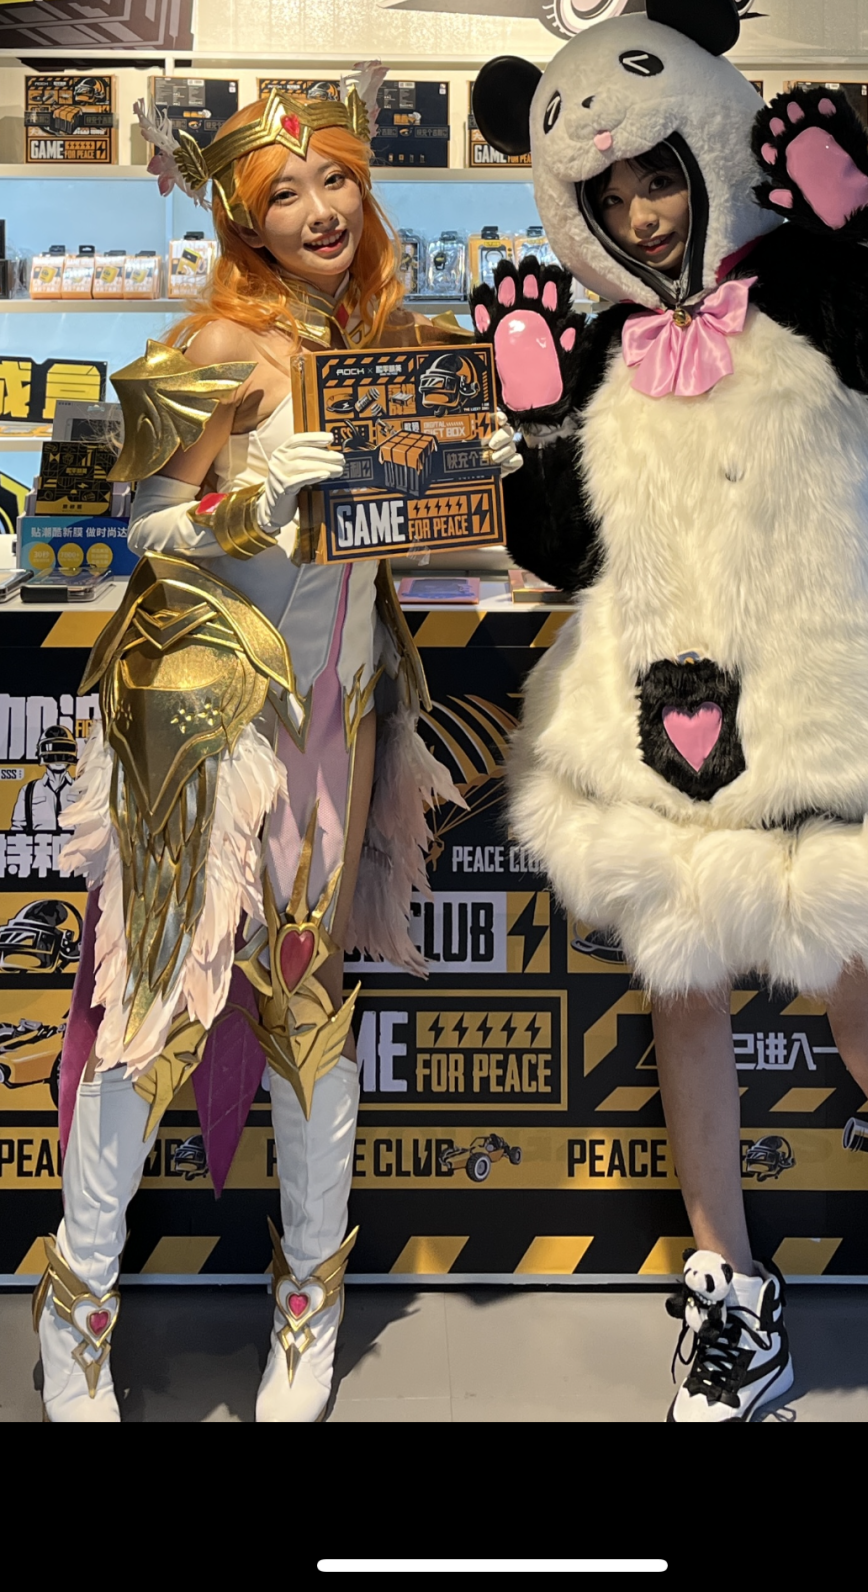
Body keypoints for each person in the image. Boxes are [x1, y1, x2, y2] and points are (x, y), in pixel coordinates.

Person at [469, 0, 868, 1424]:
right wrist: (533, 420)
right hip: (667, 726)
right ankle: (731, 1296)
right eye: (611, 193)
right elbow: (561, 548)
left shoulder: (819, 286)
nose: (643, 213)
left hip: (827, 718)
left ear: (706, 141)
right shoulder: (598, 345)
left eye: (659, 175)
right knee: (685, 1002)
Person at [37, 80, 518, 1424]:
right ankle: (76, 1305)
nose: (318, 210)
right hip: (205, 711)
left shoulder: (394, 338)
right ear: (246, 222)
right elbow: (144, 523)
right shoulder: (211, 340)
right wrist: (253, 493)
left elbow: (416, 534)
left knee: (308, 997)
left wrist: (475, 464)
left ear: (366, 187)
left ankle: (311, 1299)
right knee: (154, 997)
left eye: (336, 181)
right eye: (283, 195)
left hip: (336, 712)